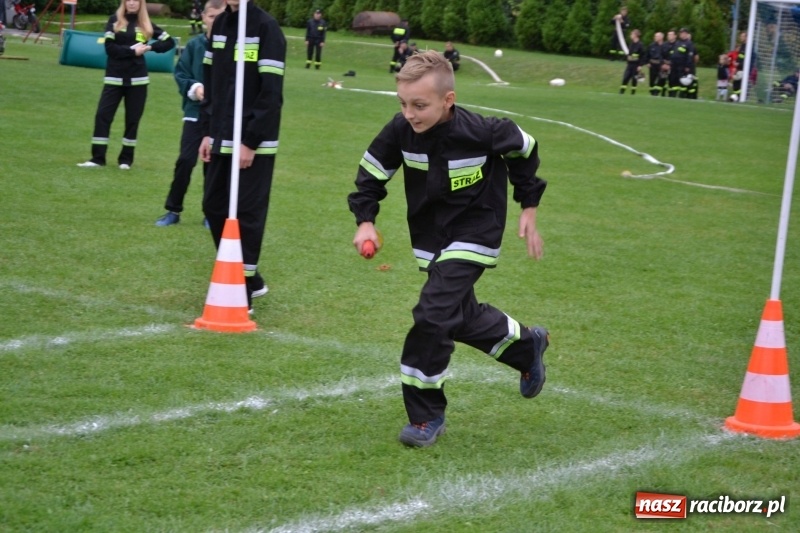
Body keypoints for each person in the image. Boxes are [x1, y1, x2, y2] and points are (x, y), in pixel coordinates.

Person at [347, 50, 550, 448]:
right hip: (431, 238)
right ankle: (526, 346)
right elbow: (371, 174)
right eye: (403, 104)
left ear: (448, 100)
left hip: (477, 229)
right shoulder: (400, 130)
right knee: (457, 316)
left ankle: (425, 415)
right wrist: (365, 220)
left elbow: (524, 148)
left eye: (420, 105)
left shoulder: (482, 131)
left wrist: (529, 205)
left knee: (433, 313)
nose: (409, 114)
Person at [199, 0, 285, 309]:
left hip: (252, 143)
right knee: (213, 206)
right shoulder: (220, 24)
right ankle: (251, 278)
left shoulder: (266, 28)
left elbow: (271, 93)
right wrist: (207, 130)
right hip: (220, 137)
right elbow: (211, 82)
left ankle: (242, 288)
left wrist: (251, 140)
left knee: (246, 215)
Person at [77, 0, 175, 169]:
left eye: (135, 0)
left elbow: (169, 42)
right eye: (128, 0)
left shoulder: (146, 23)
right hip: (114, 78)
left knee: (132, 120)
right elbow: (110, 48)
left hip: (138, 80)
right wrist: (132, 51)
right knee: (102, 116)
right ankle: (97, 159)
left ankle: (125, 160)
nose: (131, 3)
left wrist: (149, 48)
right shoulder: (114, 20)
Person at [155, 0, 225, 227]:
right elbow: (181, 73)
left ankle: (211, 214)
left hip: (220, 117)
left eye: (220, 17)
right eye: (212, 17)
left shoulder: (232, 47)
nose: (216, 22)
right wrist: (196, 89)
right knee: (185, 161)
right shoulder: (195, 46)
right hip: (195, 114)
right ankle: (173, 210)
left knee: (212, 166)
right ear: (203, 18)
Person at [666, 27, 694, 98]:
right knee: (673, 81)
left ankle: (682, 95)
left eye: (684, 33)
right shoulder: (677, 43)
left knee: (682, 81)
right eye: (681, 33)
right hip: (674, 65)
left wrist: (687, 66)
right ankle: (673, 95)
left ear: (687, 34)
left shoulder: (689, 43)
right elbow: (672, 53)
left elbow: (690, 55)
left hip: (682, 66)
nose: (682, 35)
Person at [619, 29, 643, 94]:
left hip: (636, 65)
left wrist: (640, 65)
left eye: (632, 34)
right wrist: (627, 60)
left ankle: (633, 92)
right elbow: (629, 54)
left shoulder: (640, 45)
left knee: (634, 79)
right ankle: (621, 91)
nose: (630, 35)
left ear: (635, 35)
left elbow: (642, 56)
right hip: (630, 65)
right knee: (625, 77)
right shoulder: (631, 44)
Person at [645, 32, 666, 96]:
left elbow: (667, 56)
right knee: (652, 80)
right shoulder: (651, 45)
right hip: (653, 65)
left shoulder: (665, 46)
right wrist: (647, 62)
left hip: (662, 66)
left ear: (661, 37)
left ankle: (659, 92)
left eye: (657, 36)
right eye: (655, 36)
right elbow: (647, 55)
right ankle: (652, 93)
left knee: (662, 79)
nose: (655, 37)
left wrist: (666, 64)